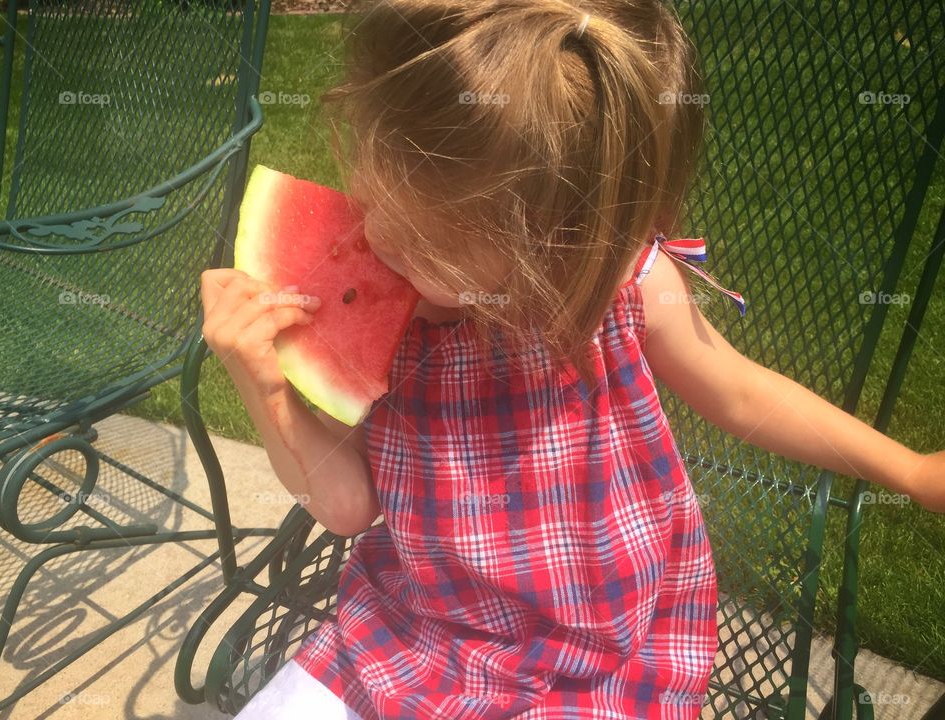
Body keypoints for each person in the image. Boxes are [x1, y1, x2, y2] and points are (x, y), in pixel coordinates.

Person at [199, 1, 945, 717]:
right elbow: (348, 507)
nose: (374, 243)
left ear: (555, 254)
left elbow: (742, 395)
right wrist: (264, 385)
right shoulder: (390, 312)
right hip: (423, 626)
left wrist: (906, 470)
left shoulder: (631, 292)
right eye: (370, 202)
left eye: (417, 242)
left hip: (605, 652)